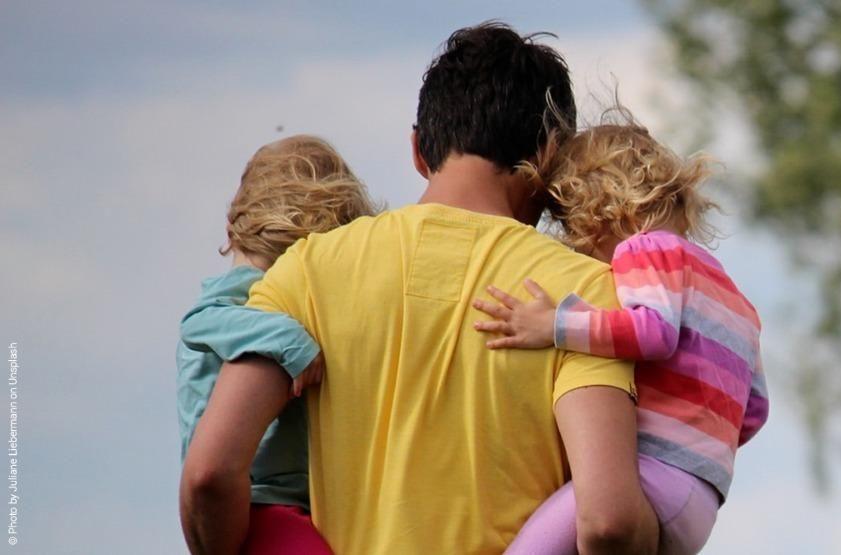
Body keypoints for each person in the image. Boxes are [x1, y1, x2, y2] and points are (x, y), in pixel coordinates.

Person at [179, 22, 659, 555]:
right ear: (550, 157)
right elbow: (608, 521)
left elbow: (209, 474)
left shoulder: (307, 269)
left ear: (418, 149)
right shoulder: (586, 297)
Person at [470, 120, 767, 554]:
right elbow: (754, 410)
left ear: (598, 214)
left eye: (571, 227)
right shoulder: (737, 299)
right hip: (702, 501)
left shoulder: (646, 250)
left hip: (655, 476)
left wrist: (554, 324)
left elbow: (654, 333)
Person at [177, 134, 378, 554]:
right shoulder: (234, 298)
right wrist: (288, 340)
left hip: (287, 506)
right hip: (260, 503)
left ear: (231, 228)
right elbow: (198, 323)